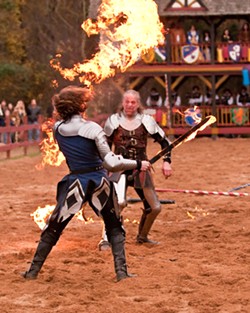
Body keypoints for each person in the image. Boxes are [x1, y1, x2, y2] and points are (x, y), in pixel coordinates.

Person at [21, 85, 151, 282]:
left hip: (75, 181)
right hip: (99, 182)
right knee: (114, 225)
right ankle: (122, 272)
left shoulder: (57, 129)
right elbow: (110, 163)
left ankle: (32, 272)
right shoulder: (91, 128)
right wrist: (138, 163)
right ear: (80, 105)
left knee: (54, 226)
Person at [98, 89, 172, 250]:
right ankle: (106, 238)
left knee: (155, 207)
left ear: (138, 104)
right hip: (119, 167)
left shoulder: (146, 120)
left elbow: (165, 142)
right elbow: (103, 146)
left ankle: (143, 236)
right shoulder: (113, 121)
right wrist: (106, 165)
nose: (130, 105)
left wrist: (167, 162)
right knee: (118, 203)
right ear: (122, 103)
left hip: (141, 167)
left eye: (133, 102)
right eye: (127, 102)